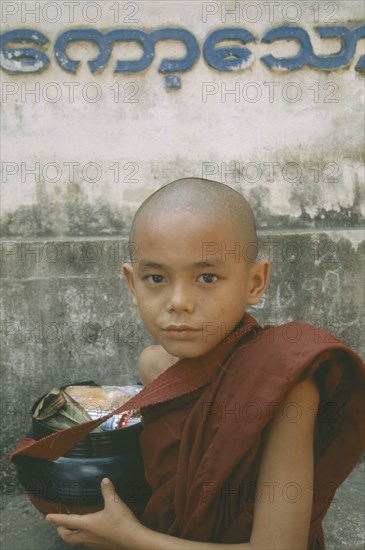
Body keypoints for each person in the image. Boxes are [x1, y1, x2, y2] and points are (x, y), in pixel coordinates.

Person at [46, 178, 364, 549]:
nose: (179, 301)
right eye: (157, 278)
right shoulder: (154, 366)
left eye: (207, 277)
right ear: (132, 285)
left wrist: (131, 538)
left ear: (255, 282)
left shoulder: (287, 386)